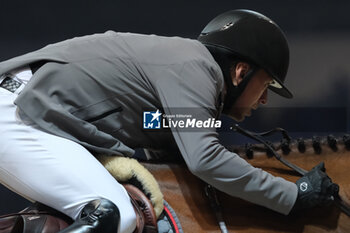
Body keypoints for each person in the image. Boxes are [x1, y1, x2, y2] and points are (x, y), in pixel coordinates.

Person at [0, 9, 338, 233]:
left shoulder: (187, 67)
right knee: (115, 214)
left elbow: (153, 124)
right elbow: (204, 159)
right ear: (240, 72)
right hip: (17, 114)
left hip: (28, 111)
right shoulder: (196, 68)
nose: (264, 100)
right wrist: (294, 194)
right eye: (265, 86)